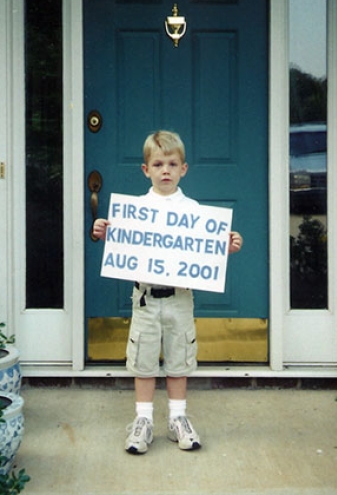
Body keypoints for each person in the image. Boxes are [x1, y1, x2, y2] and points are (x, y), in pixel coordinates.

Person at [92, 130, 243, 455]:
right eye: (158, 164)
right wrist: (106, 233)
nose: (165, 170)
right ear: (145, 170)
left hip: (180, 299)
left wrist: (225, 247)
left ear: (183, 169)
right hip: (145, 299)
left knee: (179, 360)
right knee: (144, 361)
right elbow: (125, 246)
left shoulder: (193, 210)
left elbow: (202, 249)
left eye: (172, 164)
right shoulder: (135, 210)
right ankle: (143, 420)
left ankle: (178, 418)